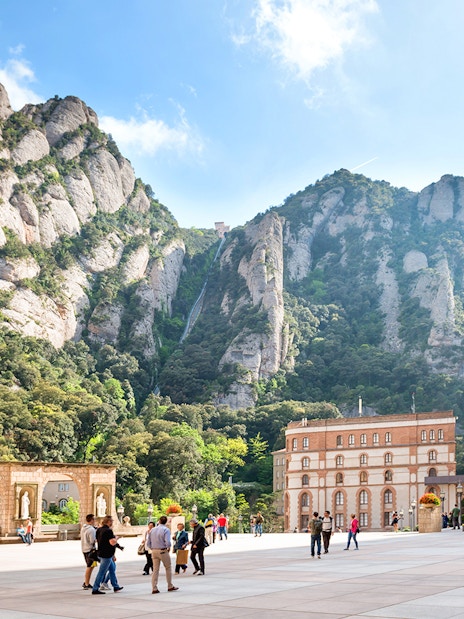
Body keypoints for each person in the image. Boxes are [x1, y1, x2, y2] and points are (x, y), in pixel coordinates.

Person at [146, 515, 179, 594]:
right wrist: (168, 547)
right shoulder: (166, 530)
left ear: (159, 521)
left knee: (155, 570)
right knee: (168, 568)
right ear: (166, 522)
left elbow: (148, 542)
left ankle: (154, 587)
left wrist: (152, 548)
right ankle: (169, 585)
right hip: (162, 550)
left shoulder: (152, 530)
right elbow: (167, 541)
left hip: (154, 551)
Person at [91, 516, 124, 594]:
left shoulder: (99, 530)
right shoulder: (109, 531)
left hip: (100, 553)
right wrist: (116, 538)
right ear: (108, 522)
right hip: (107, 554)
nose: (112, 522)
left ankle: (115, 586)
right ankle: (95, 588)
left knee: (112, 569)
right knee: (102, 572)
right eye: (111, 521)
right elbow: (112, 542)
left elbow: (97, 540)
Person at [81, 514, 97, 590]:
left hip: (84, 549)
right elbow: (92, 541)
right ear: (92, 520)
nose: (95, 521)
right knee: (89, 566)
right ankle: (86, 583)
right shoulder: (91, 530)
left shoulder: (83, 528)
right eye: (94, 519)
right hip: (90, 550)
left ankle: (86, 582)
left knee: (92, 566)